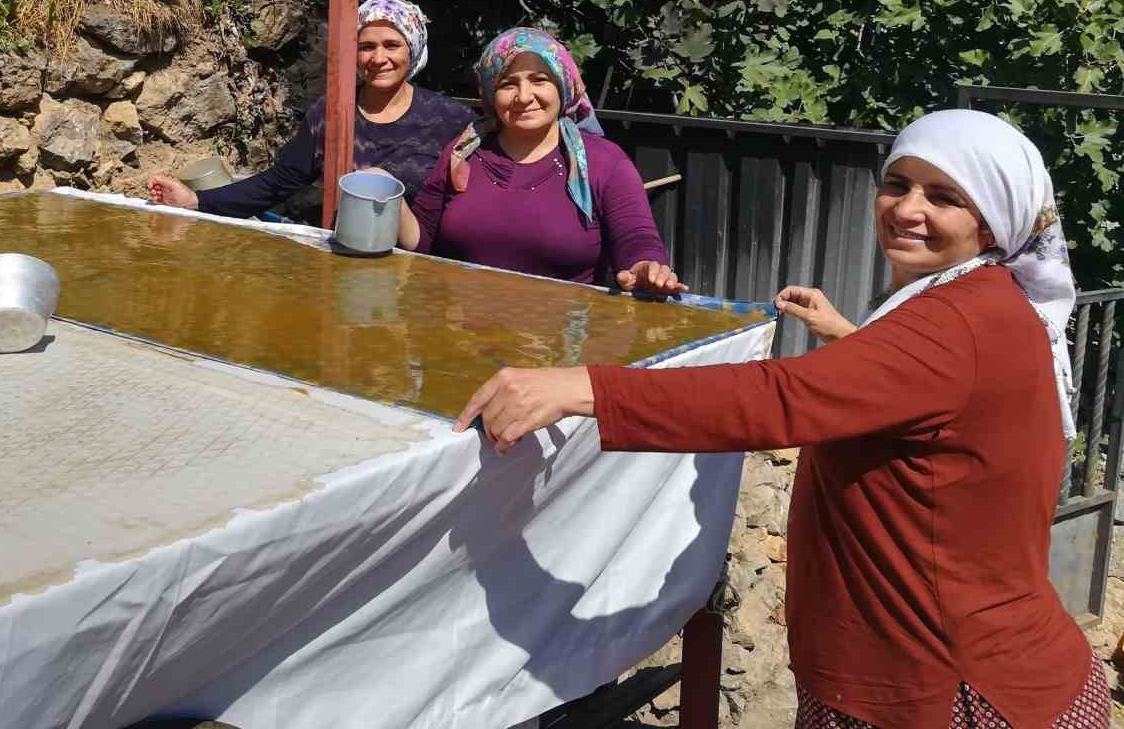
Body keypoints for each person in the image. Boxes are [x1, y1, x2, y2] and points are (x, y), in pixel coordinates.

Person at [457, 109, 1107, 728]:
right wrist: (852, 342)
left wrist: (583, 388)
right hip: (989, 663)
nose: (909, 209)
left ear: (992, 223)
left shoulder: (952, 322)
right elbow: (930, 405)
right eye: (898, 184)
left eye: (945, 197)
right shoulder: (991, 301)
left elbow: (780, 398)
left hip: (943, 691)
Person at [393, 27, 682, 294]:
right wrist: (389, 195)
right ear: (491, 94)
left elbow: (637, 239)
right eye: (508, 84)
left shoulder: (605, 163)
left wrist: (647, 267)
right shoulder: (462, 153)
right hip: (464, 340)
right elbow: (422, 242)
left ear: (563, 86)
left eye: (539, 80)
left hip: (559, 343)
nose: (524, 96)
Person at [146, 0, 473, 219]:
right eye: (366, 47)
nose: (378, 58)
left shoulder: (450, 120)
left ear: (413, 50)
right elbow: (278, 183)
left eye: (391, 45)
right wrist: (197, 201)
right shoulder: (330, 115)